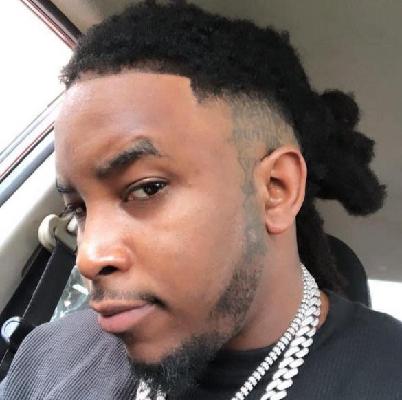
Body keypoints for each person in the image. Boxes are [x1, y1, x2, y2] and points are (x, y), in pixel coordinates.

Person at [1, 1, 401, 399]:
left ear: (276, 189)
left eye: (146, 189)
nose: (88, 257)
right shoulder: (48, 355)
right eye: (79, 209)